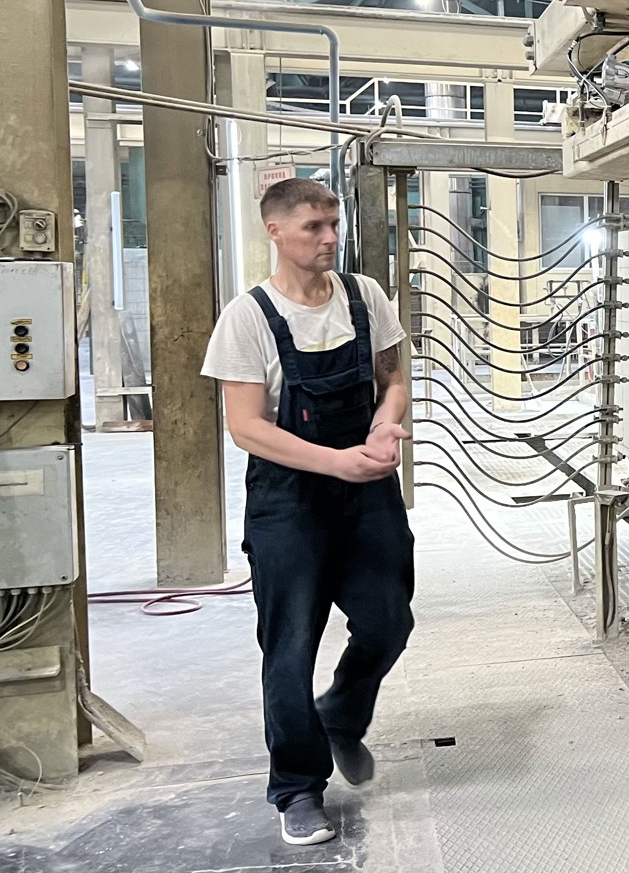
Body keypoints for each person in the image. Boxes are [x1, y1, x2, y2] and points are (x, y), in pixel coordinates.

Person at [201, 178, 414, 847]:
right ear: (275, 231)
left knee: (388, 621)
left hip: (366, 490)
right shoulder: (248, 318)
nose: (329, 238)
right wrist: (335, 462)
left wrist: (383, 428)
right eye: (313, 228)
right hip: (289, 501)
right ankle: (297, 787)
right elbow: (246, 427)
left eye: (333, 224)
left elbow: (394, 380)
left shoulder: (364, 296)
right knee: (290, 646)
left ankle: (341, 716)